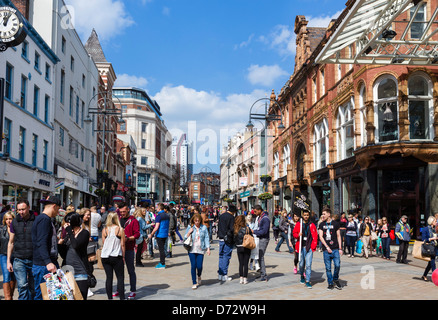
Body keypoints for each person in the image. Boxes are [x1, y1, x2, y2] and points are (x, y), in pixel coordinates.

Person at [31, 195, 61, 300]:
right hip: (43, 265)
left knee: (52, 295)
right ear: (54, 206)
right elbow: (41, 242)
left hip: (47, 263)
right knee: (43, 296)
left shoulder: (46, 219)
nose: (58, 212)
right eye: (58, 209)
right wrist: (48, 262)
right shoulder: (44, 220)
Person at [7, 199, 35, 300]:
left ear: (29, 207)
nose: (21, 212)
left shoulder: (36, 220)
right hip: (19, 259)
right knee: (22, 286)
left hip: (33, 259)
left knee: (33, 288)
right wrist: (8, 261)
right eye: (19, 210)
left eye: (23, 209)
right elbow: (11, 242)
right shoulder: (14, 222)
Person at [64, 213, 91, 300]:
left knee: (81, 298)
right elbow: (63, 253)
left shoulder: (84, 233)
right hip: (67, 272)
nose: (65, 225)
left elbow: (76, 245)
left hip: (80, 272)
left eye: (67, 223)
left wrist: (69, 232)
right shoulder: (69, 234)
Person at [101, 212, 126, 300]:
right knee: (120, 277)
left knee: (109, 278)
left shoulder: (104, 229)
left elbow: (104, 243)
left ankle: (109, 298)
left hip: (105, 256)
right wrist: (123, 256)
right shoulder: (120, 229)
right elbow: (122, 244)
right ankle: (122, 298)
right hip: (116, 255)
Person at [318, 207, 343, 290]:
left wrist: (340, 248)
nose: (323, 215)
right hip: (326, 250)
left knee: (337, 265)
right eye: (322, 214)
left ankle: (335, 278)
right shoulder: (321, 224)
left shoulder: (336, 224)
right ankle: (330, 283)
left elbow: (339, 236)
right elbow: (321, 237)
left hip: (335, 249)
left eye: (324, 214)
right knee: (328, 268)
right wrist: (327, 247)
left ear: (329, 214)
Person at [184, 213, 211, 289]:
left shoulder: (204, 228)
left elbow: (206, 238)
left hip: (200, 249)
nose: (197, 222)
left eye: (198, 221)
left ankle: (199, 275)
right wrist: (189, 232)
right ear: (193, 221)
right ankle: (194, 282)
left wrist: (208, 248)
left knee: (199, 266)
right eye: (195, 221)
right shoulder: (190, 227)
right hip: (191, 249)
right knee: (193, 266)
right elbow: (185, 237)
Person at [119, 202, 140, 299]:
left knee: (131, 270)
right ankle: (120, 289)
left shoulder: (133, 221)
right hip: (119, 249)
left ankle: (133, 290)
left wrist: (129, 238)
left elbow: (137, 234)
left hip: (129, 249)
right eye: (121, 212)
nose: (122, 213)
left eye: (124, 211)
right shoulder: (119, 220)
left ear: (128, 209)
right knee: (119, 271)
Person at [293, 211, 318, 289]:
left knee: (308, 264)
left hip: (309, 247)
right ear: (302, 216)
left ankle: (308, 281)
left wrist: (313, 246)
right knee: (301, 264)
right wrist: (298, 235)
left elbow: (315, 235)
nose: (306, 216)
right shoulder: (299, 224)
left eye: (307, 215)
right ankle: (301, 275)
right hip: (301, 247)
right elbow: (294, 233)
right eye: (305, 215)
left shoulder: (312, 224)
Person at [251, 205, 270, 282]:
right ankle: (262, 273)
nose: (254, 213)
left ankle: (264, 276)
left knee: (260, 256)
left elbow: (264, 231)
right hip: (260, 238)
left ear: (259, 210)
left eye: (255, 211)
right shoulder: (260, 217)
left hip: (264, 239)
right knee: (259, 256)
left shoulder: (265, 218)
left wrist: (254, 232)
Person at [148, 203, 170, 269]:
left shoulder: (159, 216)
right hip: (165, 233)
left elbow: (156, 227)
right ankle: (162, 262)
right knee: (163, 249)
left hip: (160, 234)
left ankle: (162, 263)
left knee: (161, 250)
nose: (156, 209)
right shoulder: (167, 215)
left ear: (159, 208)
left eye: (157, 207)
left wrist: (151, 234)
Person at [217, 204, 236, 281]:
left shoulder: (221, 216)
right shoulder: (231, 217)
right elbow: (232, 229)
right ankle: (224, 274)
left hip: (221, 237)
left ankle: (220, 273)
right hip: (228, 239)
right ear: (233, 211)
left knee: (221, 256)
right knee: (226, 256)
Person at [1, 211, 16, 299]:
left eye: (10, 219)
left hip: (15, 255)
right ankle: (8, 298)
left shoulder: (17, 230)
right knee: (6, 275)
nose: (8, 221)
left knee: (13, 276)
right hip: (4, 255)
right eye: (7, 219)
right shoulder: (1, 230)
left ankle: (10, 296)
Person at [233, 215, 252, 285]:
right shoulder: (247, 228)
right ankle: (245, 278)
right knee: (246, 263)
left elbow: (234, 239)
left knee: (241, 263)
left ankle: (241, 278)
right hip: (246, 246)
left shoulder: (236, 229)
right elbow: (251, 236)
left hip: (239, 247)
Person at [421, 216, 438, 281]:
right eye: (435, 221)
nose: (436, 222)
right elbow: (424, 240)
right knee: (433, 263)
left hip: (435, 247)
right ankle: (436, 278)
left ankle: (424, 275)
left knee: (430, 263)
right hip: (429, 248)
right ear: (431, 222)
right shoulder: (426, 229)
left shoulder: (435, 229)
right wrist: (432, 238)